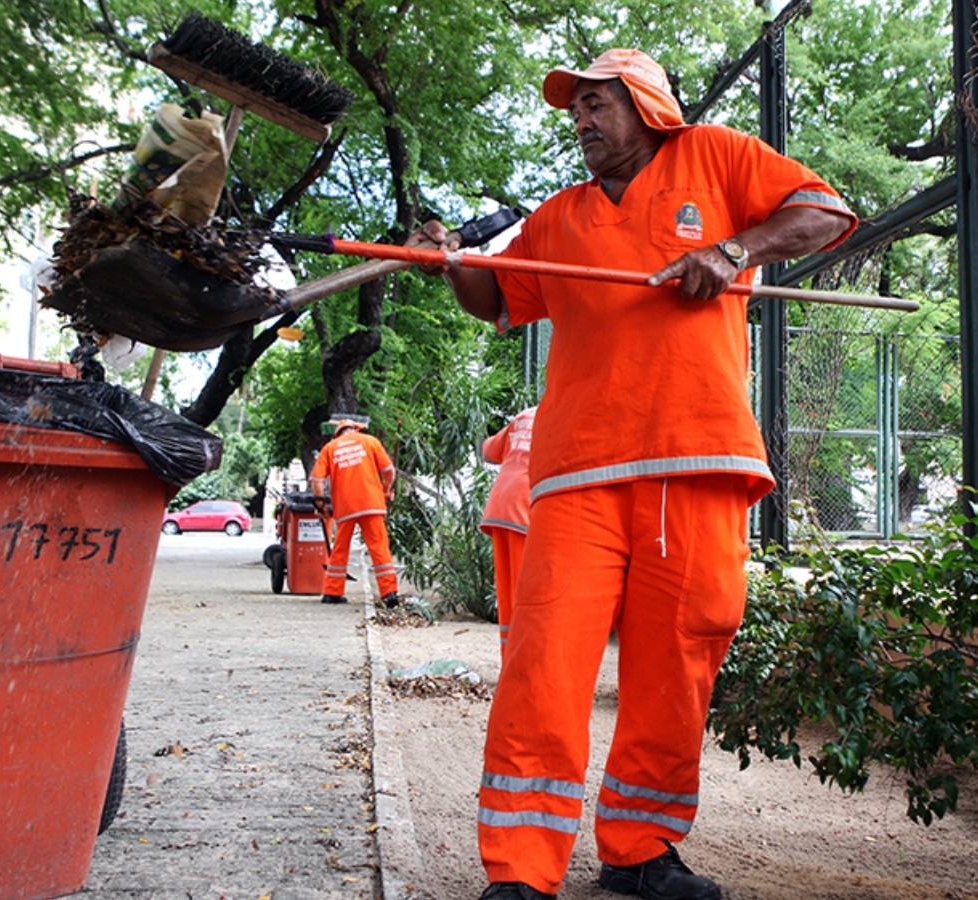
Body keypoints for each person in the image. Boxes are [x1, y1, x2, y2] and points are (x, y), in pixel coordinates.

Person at [410, 48, 858, 900]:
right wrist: (448, 263)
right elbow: (501, 299)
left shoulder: (716, 157)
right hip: (578, 473)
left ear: (646, 105)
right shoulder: (560, 217)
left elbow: (825, 211)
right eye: (574, 109)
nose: (580, 122)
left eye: (595, 105)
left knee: (676, 664)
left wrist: (732, 251)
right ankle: (519, 871)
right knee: (543, 664)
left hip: (700, 460)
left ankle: (640, 848)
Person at [309, 417, 400, 607]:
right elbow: (389, 470)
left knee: (340, 549)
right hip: (371, 504)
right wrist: (386, 489)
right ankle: (389, 594)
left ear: (338, 433)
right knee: (379, 548)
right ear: (356, 430)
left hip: (345, 507)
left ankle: (332, 592)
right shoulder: (371, 442)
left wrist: (320, 505)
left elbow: (317, 481)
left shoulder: (330, 448)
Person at [479, 405, 538, 657]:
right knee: (526, 592)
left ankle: (509, 664)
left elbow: (488, 451)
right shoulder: (561, 414)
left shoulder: (525, 416)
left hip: (500, 506)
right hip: (524, 506)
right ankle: (521, 664)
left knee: (507, 591)